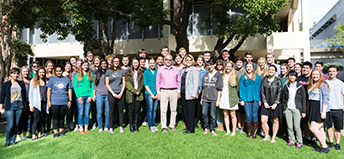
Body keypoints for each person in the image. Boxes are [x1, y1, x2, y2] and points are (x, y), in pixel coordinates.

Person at [0, 68, 27, 147]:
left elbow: (24, 96)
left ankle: (13, 140)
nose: (16, 75)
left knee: (17, 124)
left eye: (17, 73)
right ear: (10, 74)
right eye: (14, 73)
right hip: (10, 106)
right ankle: (7, 141)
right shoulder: (6, 84)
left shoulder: (21, 83)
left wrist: (24, 105)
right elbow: (2, 97)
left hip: (20, 105)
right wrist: (1, 108)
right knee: (10, 125)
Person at [307, 69, 330, 153]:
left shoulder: (323, 84)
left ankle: (325, 146)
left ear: (320, 75)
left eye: (317, 74)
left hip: (319, 109)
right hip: (312, 108)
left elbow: (326, 99)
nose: (315, 76)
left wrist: (323, 112)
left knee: (313, 128)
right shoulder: (311, 84)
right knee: (320, 129)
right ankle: (321, 146)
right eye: (313, 74)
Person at [282, 70, 306, 149]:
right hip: (288, 108)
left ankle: (299, 142)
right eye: (290, 75)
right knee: (289, 126)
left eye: (293, 75)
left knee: (297, 126)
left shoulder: (300, 86)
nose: (291, 77)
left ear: (296, 77)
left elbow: (304, 100)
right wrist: (284, 109)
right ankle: (291, 140)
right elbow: (284, 99)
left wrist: (304, 111)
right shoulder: (286, 86)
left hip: (297, 109)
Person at [156, 54, 180, 133]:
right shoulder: (160, 69)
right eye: (166, 59)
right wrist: (158, 93)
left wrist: (178, 91)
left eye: (170, 59)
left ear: (172, 60)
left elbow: (178, 81)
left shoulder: (176, 69)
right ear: (164, 60)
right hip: (164, 91)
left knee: (173, 109)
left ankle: (172, 125)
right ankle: (164, 126)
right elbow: (158, 81)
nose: (168, 61)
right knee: (163, 109)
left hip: (174, 90)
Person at [47, 65, 72, 137]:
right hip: (54, 101)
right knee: (55, 117)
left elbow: (69, 90)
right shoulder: (52, 79)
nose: (58, 72)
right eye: (57, 71)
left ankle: (61, 131)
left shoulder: (67, 80)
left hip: (64, 101)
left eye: (60, 71)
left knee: (62, 117)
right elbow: (49, 90)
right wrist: (49, 101)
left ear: (62, 71)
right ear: (55, 71)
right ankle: (55, 132)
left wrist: (70, 100)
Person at [260, 65, 282, 143]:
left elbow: (279, 92)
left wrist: (276, 103)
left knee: (275, 120)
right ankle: (267, 136)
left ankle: (273, 137)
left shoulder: (278, 81)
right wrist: (264, 102)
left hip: (275, 102)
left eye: (273, 70)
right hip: (265, 102)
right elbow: (262, 91)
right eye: (270, 70)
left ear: (275, 71)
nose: (271, 71)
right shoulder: (264, 80)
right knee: (263, 120)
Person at [239, 62, 261, 139]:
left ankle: (254, 132)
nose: (249, 68)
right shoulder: (243, 77)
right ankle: (249, 131)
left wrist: (260, 99)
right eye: (247, 67)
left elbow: (259, 88)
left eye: (250, 67)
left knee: (254, 115)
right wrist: (241, 99)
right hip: (246, 99)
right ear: (245, 68)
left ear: (253, 68)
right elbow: (241, 88)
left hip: (255, 99)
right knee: (248, 115)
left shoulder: (257, 77)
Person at [200, 61, 222, 136]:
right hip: (205, 98)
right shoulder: (205, 74)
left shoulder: (218, 75)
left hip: (214, 98)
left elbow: (219, 89)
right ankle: (206, 128)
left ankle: (212, 129)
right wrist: (201, 98)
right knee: (204, 113)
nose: (210, 67)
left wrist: (218, 100)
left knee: (212, 115)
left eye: (211, 65)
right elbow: (203, 88)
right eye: (208, 65)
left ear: (214, 65)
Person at [325, 65, 344, 151]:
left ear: (336, 72)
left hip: (338, 108)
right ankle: (331, 142)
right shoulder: (325, 83)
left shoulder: (341, 83)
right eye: (330, 71)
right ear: (328, 72)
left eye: (333, 71)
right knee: (329, 127)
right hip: (328, 108)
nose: (332, 73)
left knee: (338, 127)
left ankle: (337, 143)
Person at [179, 54, 199, 134]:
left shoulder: (194, 69)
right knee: (185, 111)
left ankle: (191, 129)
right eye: (187, 60)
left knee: (191, 112)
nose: (188, 61)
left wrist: (193, 95)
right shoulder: (183, 70)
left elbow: (196, 83)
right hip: (183, 93)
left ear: (192, 61)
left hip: (190, 94)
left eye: (190, 60)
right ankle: (188, 127)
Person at [105, 57, 126, 133]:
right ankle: (111, 127)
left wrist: (121, 93)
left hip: (120, 93)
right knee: (111, 110)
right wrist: (113, 93)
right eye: (115, 61)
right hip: (111, 93)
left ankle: (120, 126)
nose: (116, 62)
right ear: (112, 62)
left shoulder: (122, 71)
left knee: (120, 110)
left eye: (117, 61)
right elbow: (107, 84)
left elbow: (124, 83)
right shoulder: (108, 71)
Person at [297, 61, 316, 145]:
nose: (305, 69)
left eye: (307, 68)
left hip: (311, 102)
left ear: (310, 69)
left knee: (313, 121)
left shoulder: (313, 78)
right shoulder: (298, 78)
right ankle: (308, 137)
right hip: (302, 103)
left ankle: (314, 138)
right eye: (304, 68)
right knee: (304, 121)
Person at [74, 61, 94, 134]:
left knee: (87, 113)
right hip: (81, 96)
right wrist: (78, 97)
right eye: (84, 65)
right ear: (81, 66)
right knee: (81, 113)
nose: (85, 66)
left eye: (87, 65)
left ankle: (86, 128)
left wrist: (91, 96)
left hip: (88, 96)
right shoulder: (77, 75)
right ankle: (81, 128)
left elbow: (93, 86)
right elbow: (75, 87)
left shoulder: (91, 74)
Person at [220, 61, 239, 136]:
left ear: (232, 67)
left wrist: (234, 96)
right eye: (227, 66)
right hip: (223, 97)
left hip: (232, 97)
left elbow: (237, 88)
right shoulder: (222, 75)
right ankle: (227, 130)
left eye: (229, 66)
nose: (228, 68)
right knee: (225, 114)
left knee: (233, 115)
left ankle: (233, 130)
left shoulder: (235, 76)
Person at [29, 67, 48, 141]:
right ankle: (33, 135)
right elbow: (30, 94)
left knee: (42, 119)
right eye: (40, 72)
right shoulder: (33, 81)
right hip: (36, 104)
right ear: (37, 73)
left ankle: (39, 134)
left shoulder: (46, 81)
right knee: (36, 119)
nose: (42, 74)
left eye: (43, 72)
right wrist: (31, 105)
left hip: (44, 103)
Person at [125, 57, 144, 132]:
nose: (135, 64)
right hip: (131, 93)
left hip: (139, 93)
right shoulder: (128, 72)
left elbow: (142, 82)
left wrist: (139, 90)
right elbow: (127, 82)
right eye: (134, 63)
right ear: (132, 63)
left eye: (137, 63)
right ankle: (131, 125)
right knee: (131, 110)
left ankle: (136, 125)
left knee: (137, 110)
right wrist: (134, 91)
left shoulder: (141, 72)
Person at [93, 59, 109, 133]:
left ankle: (106, 126)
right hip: (99, 94)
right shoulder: (97, 73)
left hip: (107, 94)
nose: (104, 65)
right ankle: (100, 126)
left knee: (108, 111)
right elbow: (94, 85)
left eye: (105, 64)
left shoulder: (108, 72)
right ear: (100, 64)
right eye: (102, 64)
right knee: (99, 111)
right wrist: (94, 95)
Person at [144, 58, 159, 132]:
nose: (152, 64)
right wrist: (151, 94)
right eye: (151, 63)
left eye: (153, 63)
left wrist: (157, 93)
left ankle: (153, 124)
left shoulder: (157, 71)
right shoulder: (146, 72)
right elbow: (145, 84)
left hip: (156, 93)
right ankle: (150, 125)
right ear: (149, 64)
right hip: (149, 94)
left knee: (155, 110)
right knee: (150, 110)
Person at [17, 66, 31, 141]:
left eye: (27, 71)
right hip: (22, 102)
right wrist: (24, 103)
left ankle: (24, 135)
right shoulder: (19, 82)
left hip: (30, 102)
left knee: (26, 119)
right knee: (20, 119)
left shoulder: (30, 81)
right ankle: (18, 135)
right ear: (21, 73)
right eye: (24, 71)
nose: (26, 73)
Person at [195, 55, 208, 128]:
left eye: (201, 60)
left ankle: (204, 122)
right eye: (198, 60)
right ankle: (195, 122)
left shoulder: (206, 71)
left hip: (204, 91)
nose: (200, 61)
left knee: (203, 108)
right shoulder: (194, 69)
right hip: (195, 91)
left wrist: (201, 89)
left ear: (203, 62)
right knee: (196, 107)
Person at [235, 57, 246, 133]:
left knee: (243, 111)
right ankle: (238, 125)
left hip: (243, 93)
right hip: (236, 93)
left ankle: (243, 126)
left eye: (240, 62)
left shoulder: (245, 71)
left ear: (243, 63)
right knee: (238, 111)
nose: (238, 64)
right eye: (237, 62)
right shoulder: (234, 71)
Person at [44, 60, 55, 135]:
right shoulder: (43, 76)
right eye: (48, 65)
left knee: (50, 114)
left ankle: (48, 129)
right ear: (46, 67)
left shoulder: (54, 76)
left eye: (51, 66)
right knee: (44, 114)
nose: (50, 67)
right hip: (44, 96)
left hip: (53, 96)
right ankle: (42, 130)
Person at [90, 56, 101, 130]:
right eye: (95, 60)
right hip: (93, 90)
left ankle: (100, 122)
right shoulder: (91, 70)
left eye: (98, 60)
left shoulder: (103, 69)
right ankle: (94, 123)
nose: (97, 62)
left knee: (100, 109)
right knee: (94, 109)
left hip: (101, 91)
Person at [215, 59, 224, 131]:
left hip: (224, 93)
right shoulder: (215, 73)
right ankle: (218, 124)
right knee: (217, 110)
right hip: (216, 93)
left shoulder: (224, 73)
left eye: (220, 64)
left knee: (223, 110)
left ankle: (223, 124)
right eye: (218, 65)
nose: (219, 66)